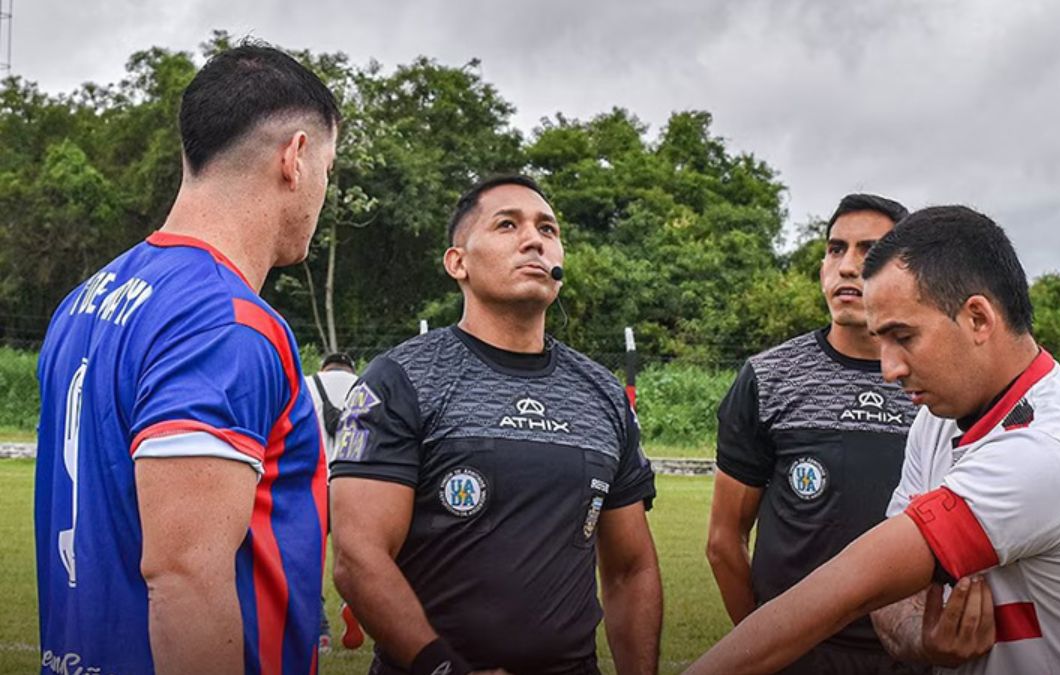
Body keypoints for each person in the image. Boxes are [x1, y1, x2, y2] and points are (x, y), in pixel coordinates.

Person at [686, 206, 1060, 675]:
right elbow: (892, 596)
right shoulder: (939, 417)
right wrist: (919, 640)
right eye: (881, 339)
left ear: (979, 319)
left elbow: (857, 585)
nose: (890, 369)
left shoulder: (1047, 450)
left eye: (903, 336)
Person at [35, 44, 339, 675]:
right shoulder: (228, 323)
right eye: (329, 171)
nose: (323, 193)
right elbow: (185, 579)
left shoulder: (87, 298)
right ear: (297, 157)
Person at [329, 175, 662, 675]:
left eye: (548, 229)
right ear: (457, 262)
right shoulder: (402, 379)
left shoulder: (603, 394)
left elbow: (630, 570)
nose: (534, 239)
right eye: (507, 224)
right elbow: (358, 557)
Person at [707, 193, 936, 674]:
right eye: (836, 249)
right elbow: (724, 541)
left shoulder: (942, 385)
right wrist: (766, 645)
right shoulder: (769, 378)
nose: (848, 266)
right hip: (795, 657)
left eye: (870, 251)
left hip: (909, 656)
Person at [303, 352, 363, 652]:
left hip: (313, 484)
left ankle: (320, 633)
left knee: (310, 562)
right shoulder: (369, 386)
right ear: (351, 368)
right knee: (360, 556)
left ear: (322, 368)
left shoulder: (305, 385)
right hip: (357, 484)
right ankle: (354, 602)